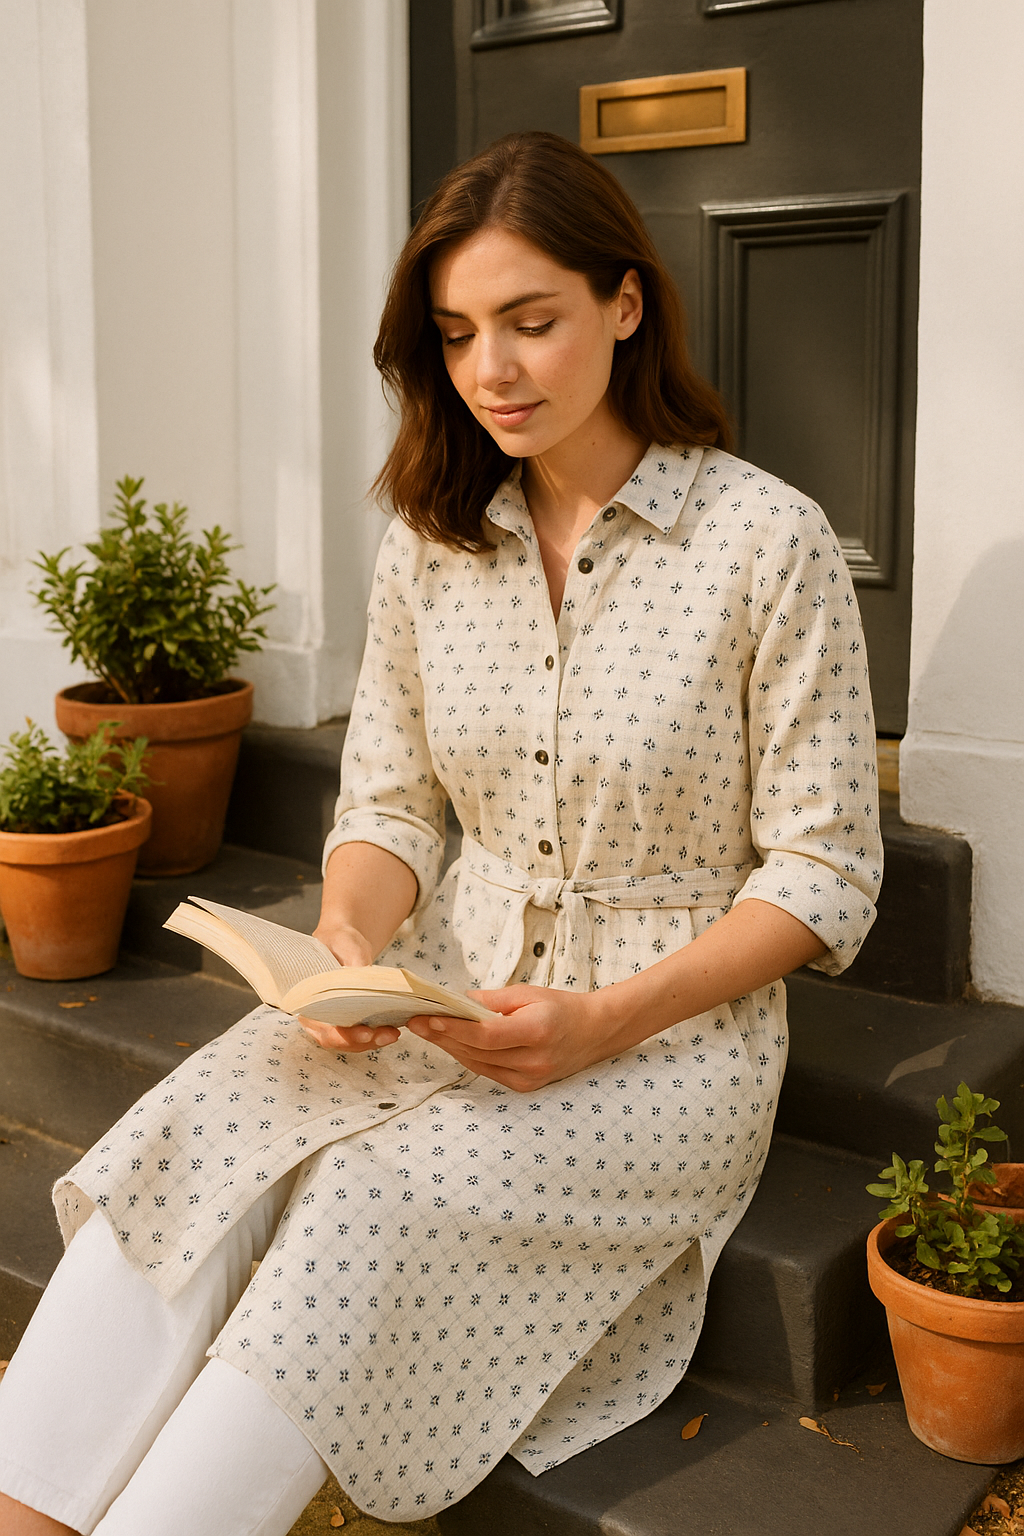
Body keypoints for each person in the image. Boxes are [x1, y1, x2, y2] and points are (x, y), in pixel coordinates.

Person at [0, 131, 882, 1536]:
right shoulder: (432, 538)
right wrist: (348, 934)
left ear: (626, 302)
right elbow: (392, 802)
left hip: (665, 1043)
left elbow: (829, 874)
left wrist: (607, 1020)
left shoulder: (766, 542)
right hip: (440, 980)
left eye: (532, 322)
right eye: (461, 334)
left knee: (368, 1202)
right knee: (200, 1131)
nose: (493, 371)